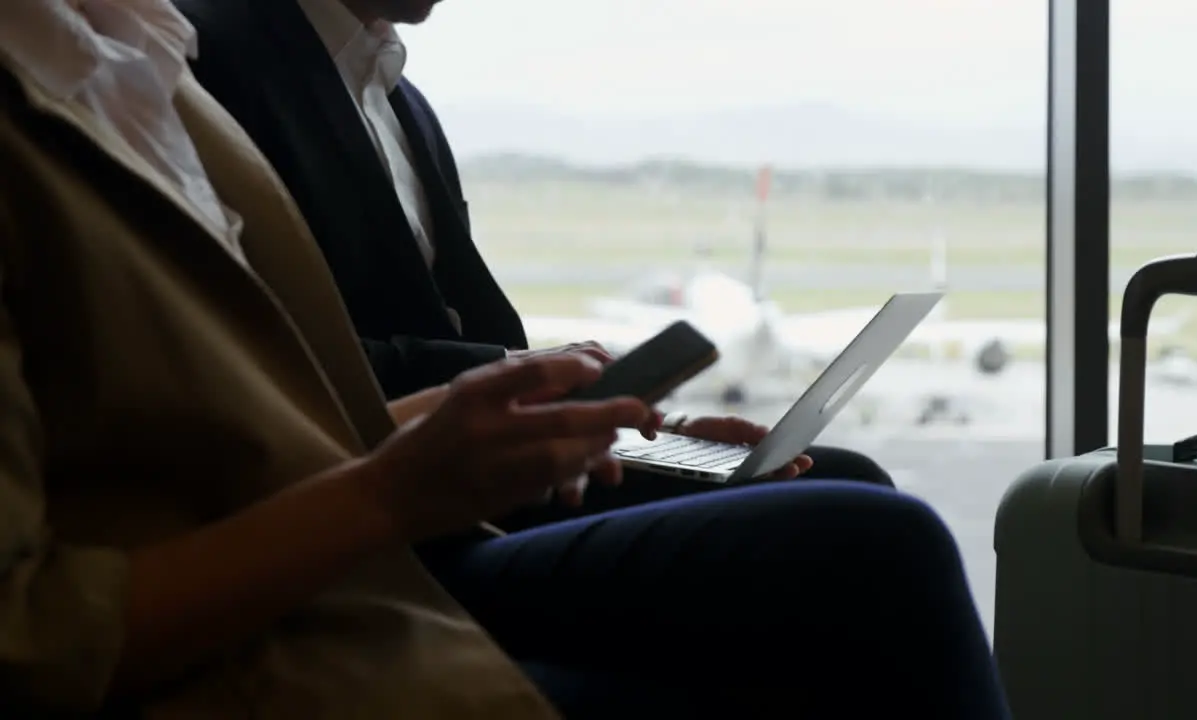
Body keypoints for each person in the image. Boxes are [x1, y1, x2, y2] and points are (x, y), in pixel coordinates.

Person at [0, 2, 1013, 718]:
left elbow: (290, 395)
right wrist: (405, 479)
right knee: (864, 547)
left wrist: (595, 414)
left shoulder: (147, 64)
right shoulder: (188, 61)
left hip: (370, 514)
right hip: (330, 571)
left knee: (847, 518)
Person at [173, 0, 898, 502]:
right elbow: (259, 360)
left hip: (500, 469)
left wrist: (635, 427)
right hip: (410, 495)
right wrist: (512, 374)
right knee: (855, 504)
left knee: (838, 481)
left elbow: (462, 332)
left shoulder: (398, 97)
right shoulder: (202, 62)